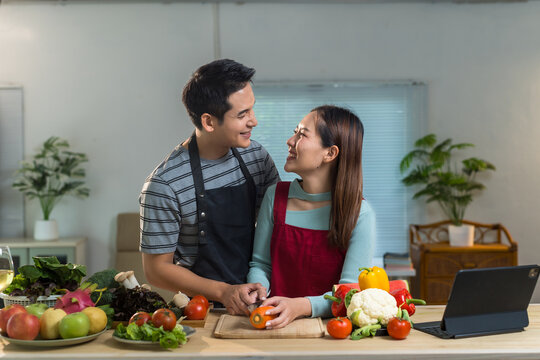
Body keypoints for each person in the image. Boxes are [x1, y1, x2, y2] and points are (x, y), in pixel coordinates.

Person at [139, 59, 280, 315]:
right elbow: (156, 271)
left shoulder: (256, 158)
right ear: (209, 122)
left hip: (263, 301)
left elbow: (279, 225)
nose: (254, 121)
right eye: (242, 114)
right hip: (205, 311)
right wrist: (224, 292)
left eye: (252, 109)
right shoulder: (164, 184)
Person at [246, 105, 375, 329]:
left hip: (331, 332)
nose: (290, 140)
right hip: (273, 325)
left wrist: (301, 307)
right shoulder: (274, 196)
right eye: (295, 131)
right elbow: (261, 263)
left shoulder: (360, 214)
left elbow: (349, 293)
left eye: (302, 134)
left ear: (330, 153)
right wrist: (257, 287)